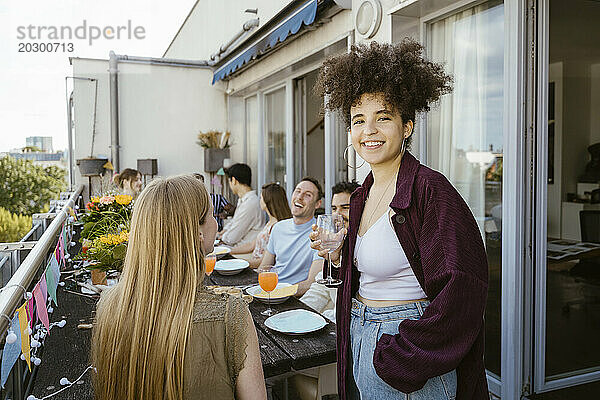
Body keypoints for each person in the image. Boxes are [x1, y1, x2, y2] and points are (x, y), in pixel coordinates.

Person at [312, 39, 489, 400]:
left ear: (407, 126)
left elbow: (465, 285)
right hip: (363, 339)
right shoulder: (362, 194)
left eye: (384, 117)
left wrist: (403, 354)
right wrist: (338, 256)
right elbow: (383, 268)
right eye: (359, 120)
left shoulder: (430, 189)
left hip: (406, 352)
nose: (370, 130)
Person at [91, 175, 266, 400]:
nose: (215, 222)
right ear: (198, 233)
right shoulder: (230, 313)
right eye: (211, 215)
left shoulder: (109, 305)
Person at [300, 181, 359, 322]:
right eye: (334, 209)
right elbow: (320, 290)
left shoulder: (365, 246)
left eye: (345, 208)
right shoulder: (337, 243)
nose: (337, 215)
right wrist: (299, 313)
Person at [259, 177, 324, 296]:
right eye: (298, 191)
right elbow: (264, 268)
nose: (300, 197)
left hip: (295, 298)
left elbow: (311, 283)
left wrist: (278, 293)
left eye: (307, 195)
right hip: (271, 292)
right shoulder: (278, 228)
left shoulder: (320, 234)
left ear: (318, 204)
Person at [230, 183, 292, 268]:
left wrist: (240, 263)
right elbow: (252, 245)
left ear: (267, 201)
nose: (260, 200)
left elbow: (265, 262)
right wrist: (229, 251)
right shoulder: (270, 223)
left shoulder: (277, 227)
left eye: (261, 198)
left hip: (260, 269)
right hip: (254, 264)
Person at [217, 164, 263, 247]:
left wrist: (220, 237)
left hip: (243, 253)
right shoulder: (243, 200)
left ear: (234, 180)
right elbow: (233, 224)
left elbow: (232, 237)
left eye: (229, 181)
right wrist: (221, 234)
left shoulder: (250, 203)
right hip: (237, 250)